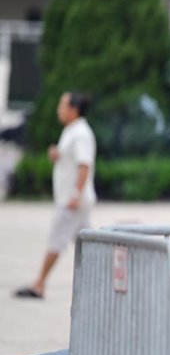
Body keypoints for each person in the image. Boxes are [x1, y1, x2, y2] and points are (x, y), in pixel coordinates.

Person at [15, 91, 97, 299]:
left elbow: (84, 165)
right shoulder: (71, 131)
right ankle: (100, 282)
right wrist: (58, 155)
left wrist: (75, 194)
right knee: (88, 245)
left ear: (74, 109)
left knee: (57, 240)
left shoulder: (80, 134)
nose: (59, 110)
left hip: (72, 201)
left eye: (62, 105)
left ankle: (39, 284)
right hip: (73, 199)